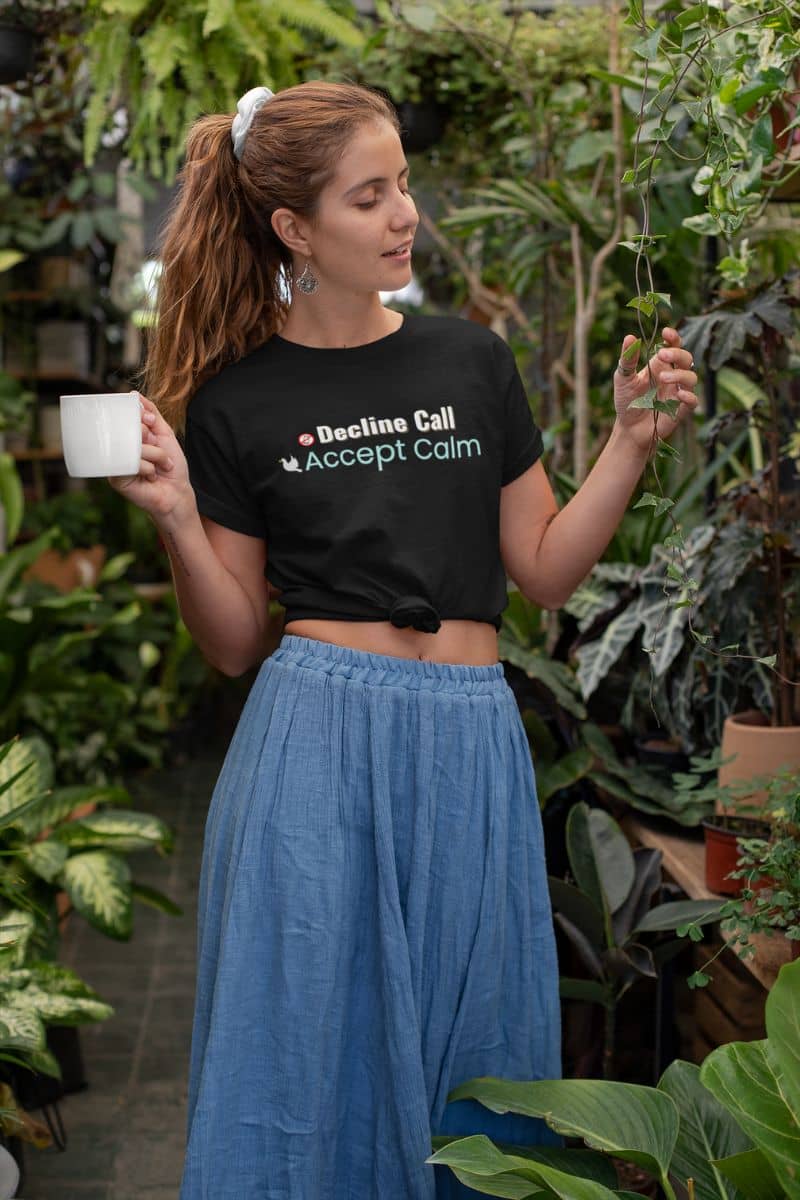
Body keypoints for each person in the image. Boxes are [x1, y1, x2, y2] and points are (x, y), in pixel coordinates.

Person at [110, 80, 698, 1199]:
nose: (403, 215)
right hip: (316, 742)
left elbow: (540, 571)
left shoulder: (467, 361)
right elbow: (234, 642)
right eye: (368, 196)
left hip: (470, 741)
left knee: (477, 1051)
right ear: (294, 229)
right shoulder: (238, 399)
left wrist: (626, 444)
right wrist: (182, 515)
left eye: (403, 188)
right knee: (304, 1053)